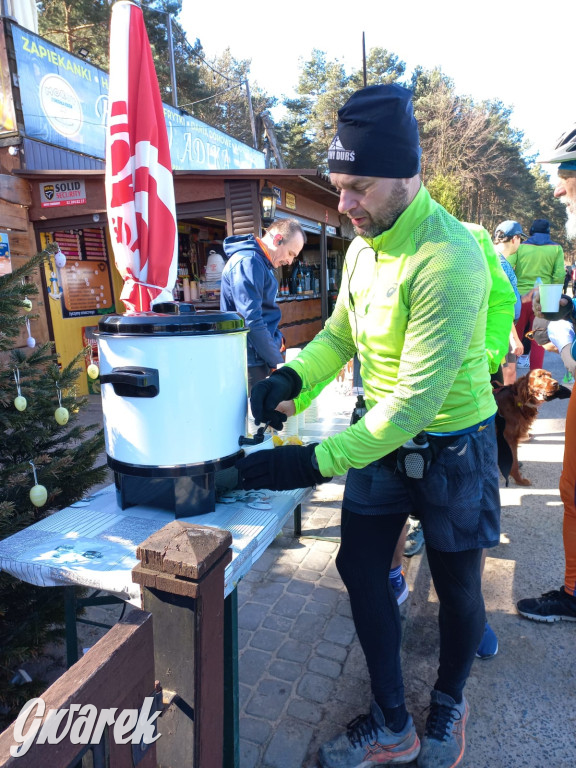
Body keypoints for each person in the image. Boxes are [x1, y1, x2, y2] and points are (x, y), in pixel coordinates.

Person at [236, 84, 511, 768]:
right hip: (381, 445)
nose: (343, 204)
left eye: (358, 187)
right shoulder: (362, 247)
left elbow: (414, 406)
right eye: (339, 187)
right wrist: (294, 379)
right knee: (360, 568)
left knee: (460, 589)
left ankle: (449, 698)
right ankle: (393, 720)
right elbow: (338, 336)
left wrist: (309, 463)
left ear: (408, 174)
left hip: (452, 444)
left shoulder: (449, 258)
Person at [516, 123, 576, 622]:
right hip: (547, 304)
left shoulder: (524, 250)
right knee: (538, 358)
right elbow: (557, 282)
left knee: (529, 351)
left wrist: (556, 325)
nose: (558, 190)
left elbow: (526, 283)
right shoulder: (557, 248)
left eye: (566, 181)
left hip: (525, 304)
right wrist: (562, 311)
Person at [220, 218, 306, 393]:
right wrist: (277, 361)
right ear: (277, 239)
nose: (290, 261)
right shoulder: (248, 262)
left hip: (257, 355)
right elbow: (250, 320)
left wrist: (277, 339)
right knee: (256, 417)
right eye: (290, 253)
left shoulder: (258, 262)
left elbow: (261, 314)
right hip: (250, 360)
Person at [505, 217, 565, 371]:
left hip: (521, 297)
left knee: (514, 338)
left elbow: (507, 265)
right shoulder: (556, 248)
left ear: (531, 231)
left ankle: (510, 376)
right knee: (539, 342)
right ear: (548, 232)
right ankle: (535, 381)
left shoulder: (521, 247)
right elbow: (559, 275)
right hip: (545, 298)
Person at [492, 221, 532, 383]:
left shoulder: (496, 259)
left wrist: (526, 298)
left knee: (505, 373)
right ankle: (504, 408)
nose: (520, 243)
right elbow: (500, 303)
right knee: (508, 374)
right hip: (502, 327)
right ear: (515, 238)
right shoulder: (499, 263)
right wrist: (513, 338)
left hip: (503, 326)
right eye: (520, 239)